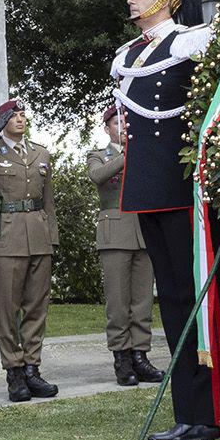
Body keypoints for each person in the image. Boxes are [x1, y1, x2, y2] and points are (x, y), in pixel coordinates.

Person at [110, 0, 220, 440]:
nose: (132, 3)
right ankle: (188, 410)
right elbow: (121, 113)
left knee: (196, 294)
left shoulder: (189, 41)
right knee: (173, 298)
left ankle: (212, 411)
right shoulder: (129, 54)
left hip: (182, 185)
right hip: (146, 185)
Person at [0, 101, 58, 401]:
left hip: (38, 236)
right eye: (12, 116)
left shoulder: (40, 153)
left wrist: (52, 239)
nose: (20, 119)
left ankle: (32, 368)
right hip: (8, 239)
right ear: (1, 121)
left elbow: (48, 200)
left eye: (22, 115)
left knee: (36, 307)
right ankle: (14, 372)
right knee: (8, 308)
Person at [84, 108, 164, 387]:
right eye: (118, 122)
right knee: (118, 301)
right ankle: (122, 359)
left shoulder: (145, 151)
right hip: (115, 231)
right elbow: (98, 176)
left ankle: (141, 355)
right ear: (107, 128)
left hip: (144, 231)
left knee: (142, 300)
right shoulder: (99, 155)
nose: (124, 126)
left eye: (127, 121)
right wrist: (127, 156)